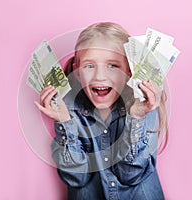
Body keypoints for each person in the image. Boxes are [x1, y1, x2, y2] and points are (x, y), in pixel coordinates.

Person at [34, 22, 168, 200]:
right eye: (89, 66)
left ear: (129, 71)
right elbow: (75, 178)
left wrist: (136, 118)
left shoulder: (144, 104)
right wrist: (64, 122)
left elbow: (130, 175)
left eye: (112, 66)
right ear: (77, 72)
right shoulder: (67, 106)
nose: (100, 76)